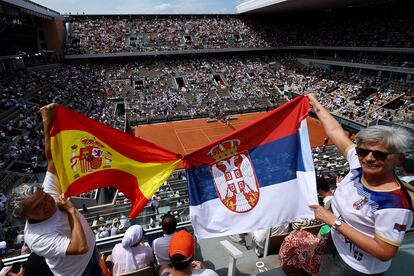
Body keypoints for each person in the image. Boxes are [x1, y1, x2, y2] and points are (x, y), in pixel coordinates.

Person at [307, 93, 413, 275]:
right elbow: (335, 131)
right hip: (337, 244)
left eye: (379, 154)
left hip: (356, 267)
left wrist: (334, 221)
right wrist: (315, 103)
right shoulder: (358, 164)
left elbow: (385, 252)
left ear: (399, 159)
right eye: (363, 151)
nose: (369, 158)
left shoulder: (395, 204)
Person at [6, 103, 101, 276]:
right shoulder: (36, 238)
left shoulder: (48, 192)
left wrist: (46, 121)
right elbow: (79, 247)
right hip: (77, 272)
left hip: (92, 254)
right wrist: (71, 211)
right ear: (25, 215)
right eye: (37, 206)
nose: (47, 202)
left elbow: (52, 158)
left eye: (44, 197)